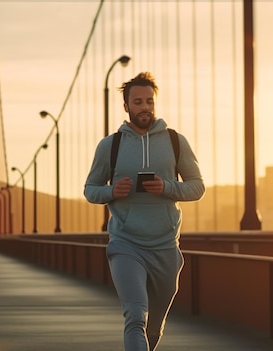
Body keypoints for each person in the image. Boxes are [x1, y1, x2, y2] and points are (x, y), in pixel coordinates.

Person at [83, 72, 205, 351]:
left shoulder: (175, 142)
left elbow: (197, 187)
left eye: (149, 101)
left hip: (165, 247)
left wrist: (166, 187)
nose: (145, 107)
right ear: (126, 106)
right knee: (136, 315)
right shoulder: (110, 146)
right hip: (125, 244)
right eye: (138, 102)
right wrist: (112, 192)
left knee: (153, 325)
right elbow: (90, 189)